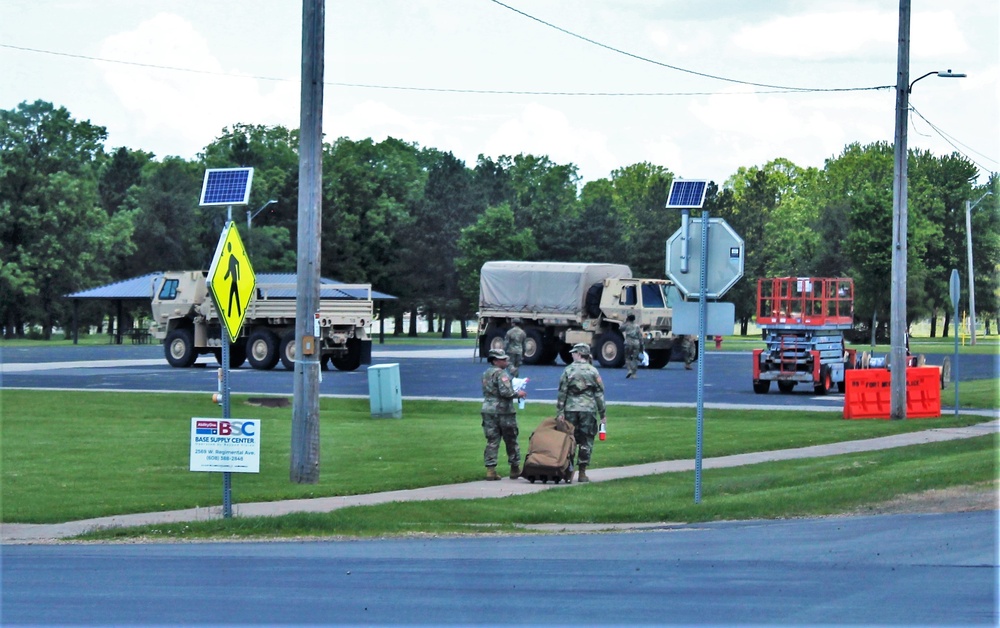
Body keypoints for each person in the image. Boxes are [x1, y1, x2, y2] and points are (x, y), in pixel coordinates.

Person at [555, 343, 606, 483]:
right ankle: (582, 472)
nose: (571, 354)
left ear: (579, 354)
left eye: (574, 352)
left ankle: (568, 470)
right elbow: (599, 394)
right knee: (586, 440)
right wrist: (602, 414)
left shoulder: (568, 370)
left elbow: (562, 394)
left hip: (570, 409)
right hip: (588, 410)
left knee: (569, 440)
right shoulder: (593, 371)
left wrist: (559, 412)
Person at [480, 348, 526, 481]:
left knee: (492, 440)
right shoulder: (501, 374)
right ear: (495, 361)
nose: (506, 361)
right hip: (503, 410)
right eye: (503, 359)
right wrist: (518, 394)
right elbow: (506, 392)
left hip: (488, 409)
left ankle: (490, 470)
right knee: (511, 439)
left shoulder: (486, 373)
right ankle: (515, 468)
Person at [621, 314, 643, 379]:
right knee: (635, 358)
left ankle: (629, 370)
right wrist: (642, 345)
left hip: (628, 342)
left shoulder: (626, 325)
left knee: (627, 357)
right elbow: (640, 336)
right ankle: (634, 373)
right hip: (636, 343)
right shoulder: (637, 326)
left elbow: (620, 328)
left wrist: (625, 322)